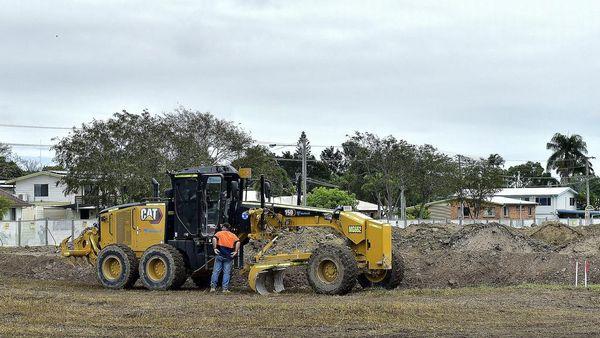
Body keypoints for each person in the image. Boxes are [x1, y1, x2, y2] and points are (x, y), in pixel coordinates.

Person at [210, 223, 240, 293]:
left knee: (216, 272)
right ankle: (225, 289)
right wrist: (235, 251)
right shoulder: (233, 235)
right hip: (228, 257)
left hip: (219, 255)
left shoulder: (219, 233)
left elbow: (214, 238)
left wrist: (214, 248)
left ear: (224, 227)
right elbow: (238, 242)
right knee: (226, 273)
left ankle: (213, 288)